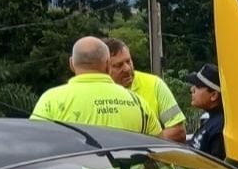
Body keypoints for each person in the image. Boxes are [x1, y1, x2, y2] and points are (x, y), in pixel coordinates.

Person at [31, 36, 162, 136]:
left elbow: (34, 141)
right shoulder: (138, 102)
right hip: (129, 166)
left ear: (71, 64)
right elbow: (158, 148)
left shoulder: (50, 100)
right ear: (108, 64)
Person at [104, 37, 186, 142]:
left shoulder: (154, 84)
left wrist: (138, 144)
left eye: (128, 61)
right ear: (104, 68)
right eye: (118, 65)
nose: (127, 68)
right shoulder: (94, 91)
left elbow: (178, 131)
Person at [185, 63, 225, 160]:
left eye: (198, 86)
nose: (192, 89)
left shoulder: (219, 128)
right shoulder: (212, 121)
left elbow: (216, 166)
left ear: (214, 95)